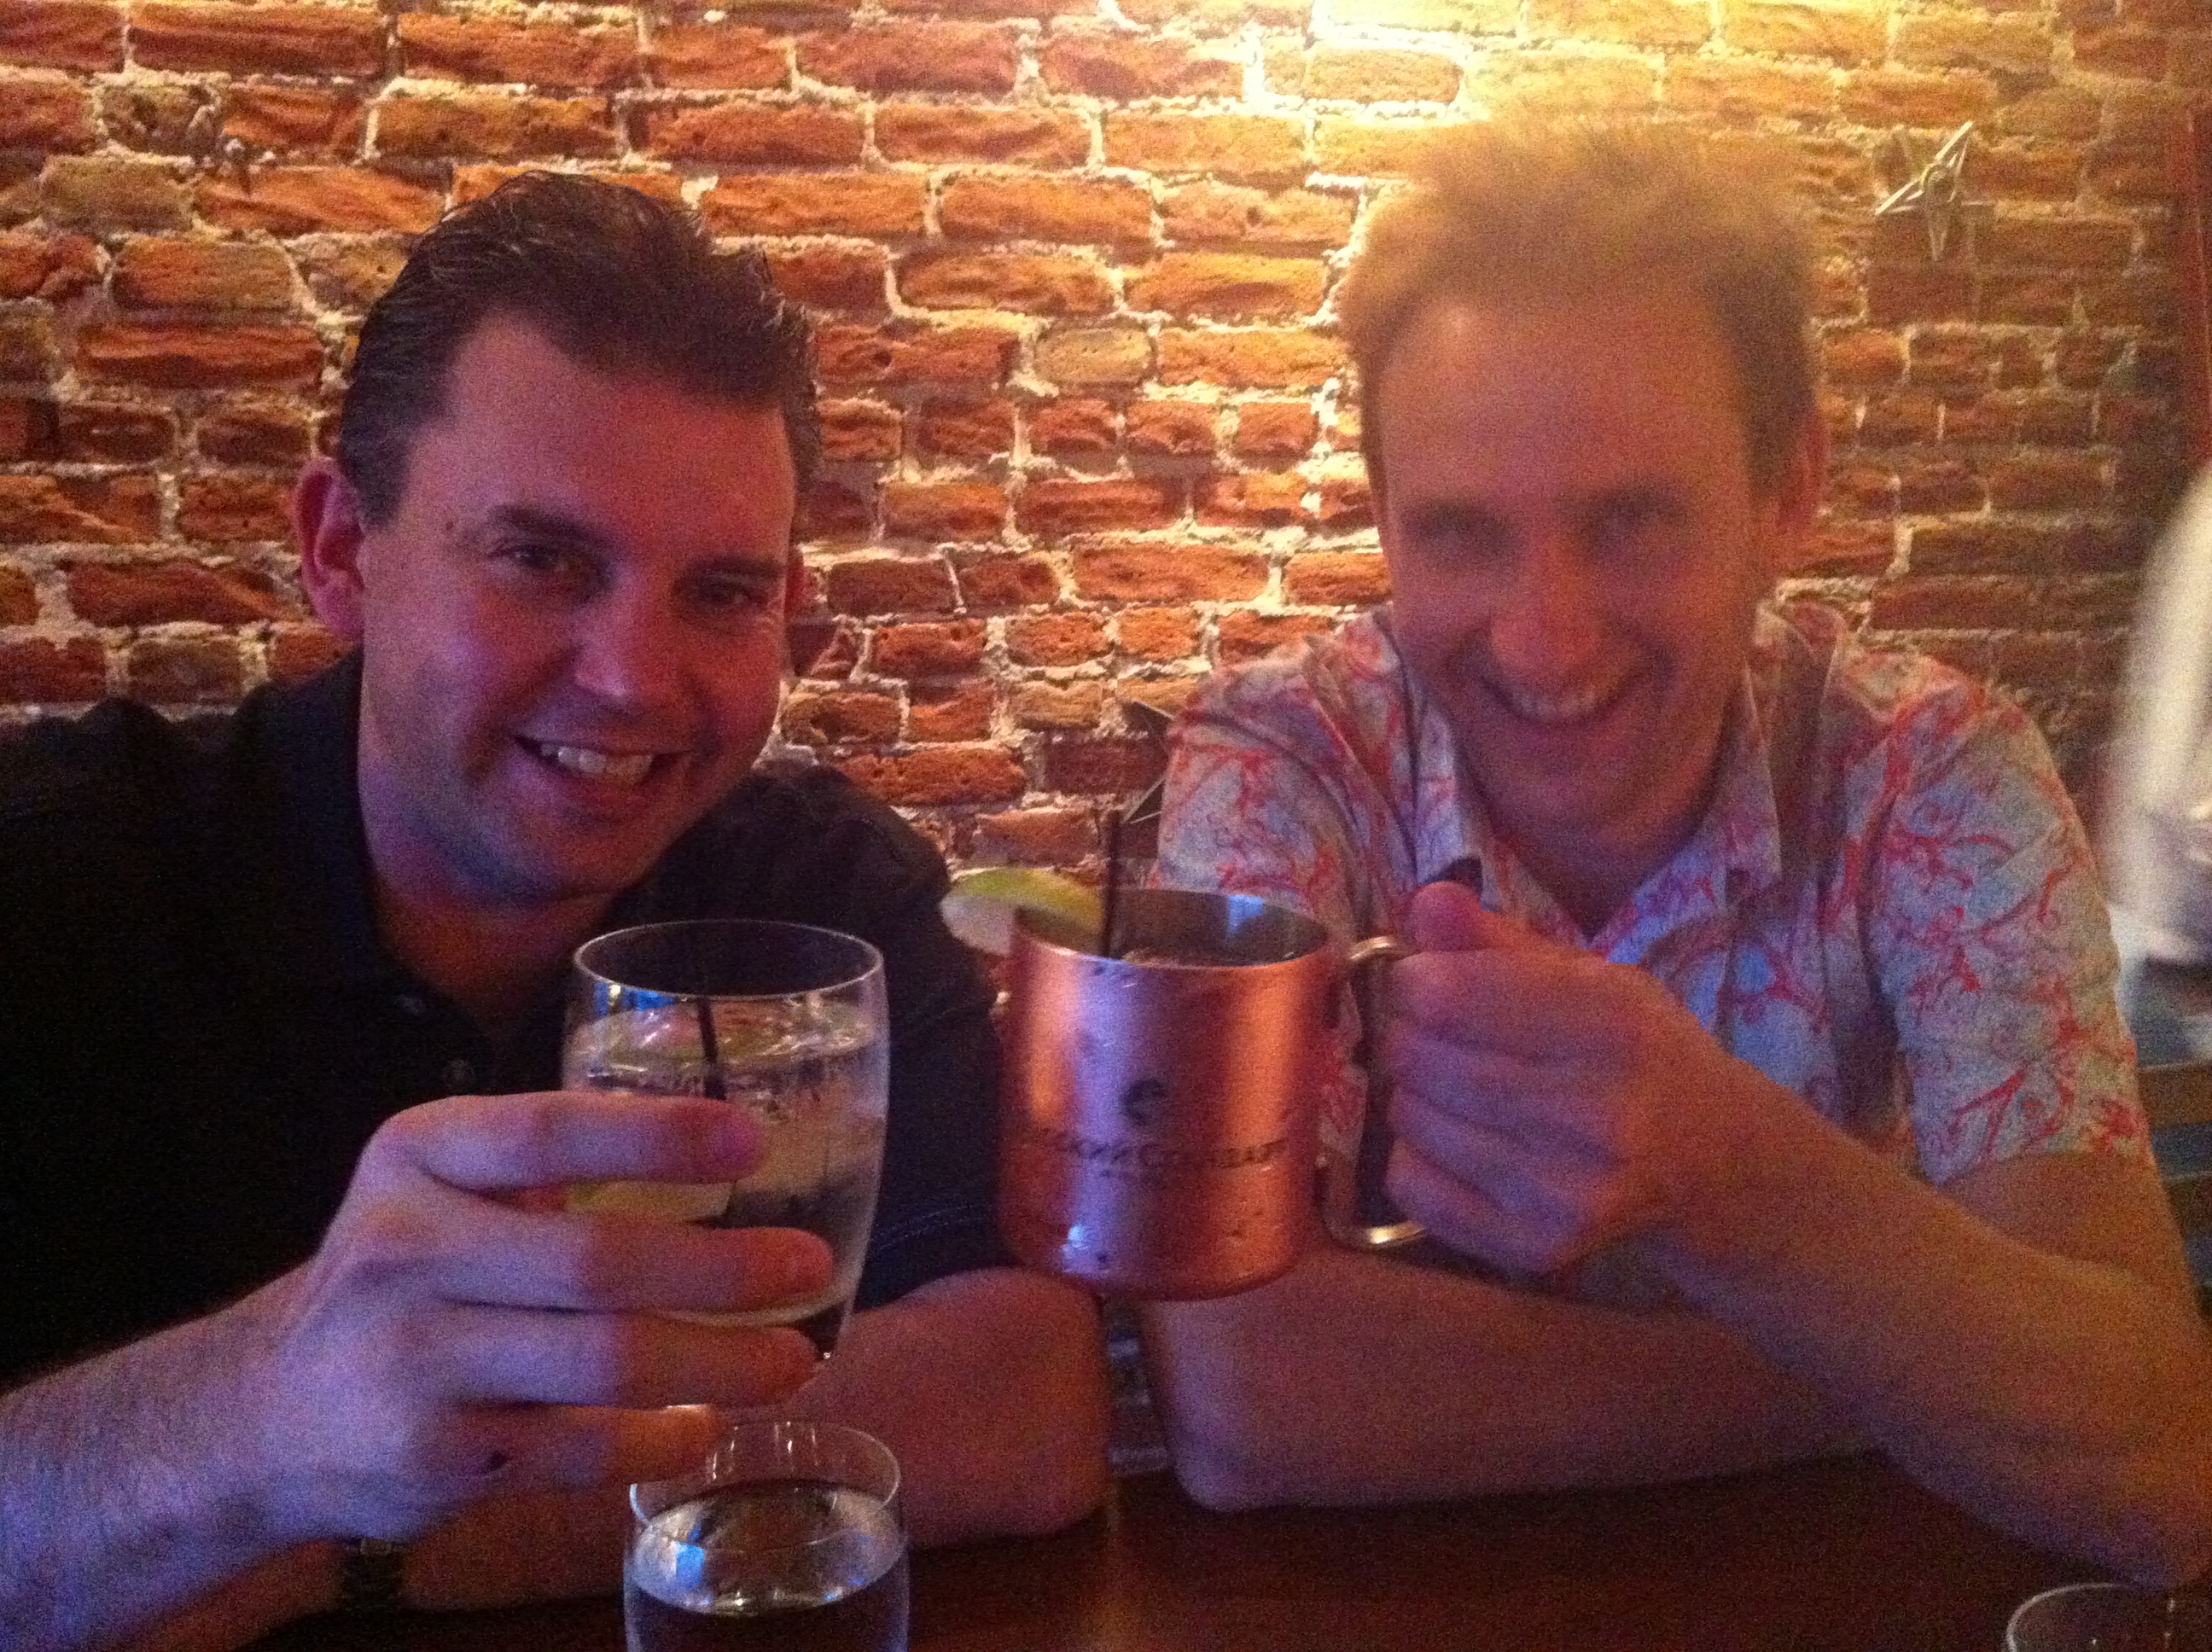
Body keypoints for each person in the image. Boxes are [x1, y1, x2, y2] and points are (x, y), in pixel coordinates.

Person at [0, 174, 1108, 1652]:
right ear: (341, 550)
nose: (635, 680)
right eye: (542, 560)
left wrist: (333, 1543)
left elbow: (1023, 1405)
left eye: (722, 592)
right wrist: (257, 1411)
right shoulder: (62, 885)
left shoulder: (820, 902)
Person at [1144, 121, 2212, 1582]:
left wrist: (1725, 1175)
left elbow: (2155, 1464)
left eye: (1632, 520)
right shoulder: (1283, 759)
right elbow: (1245, 1395)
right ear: (1384, 518)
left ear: (1788, 491)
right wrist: (1907, 1369)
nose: (1543, 639)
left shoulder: (1930, 773)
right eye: (1458, 534)